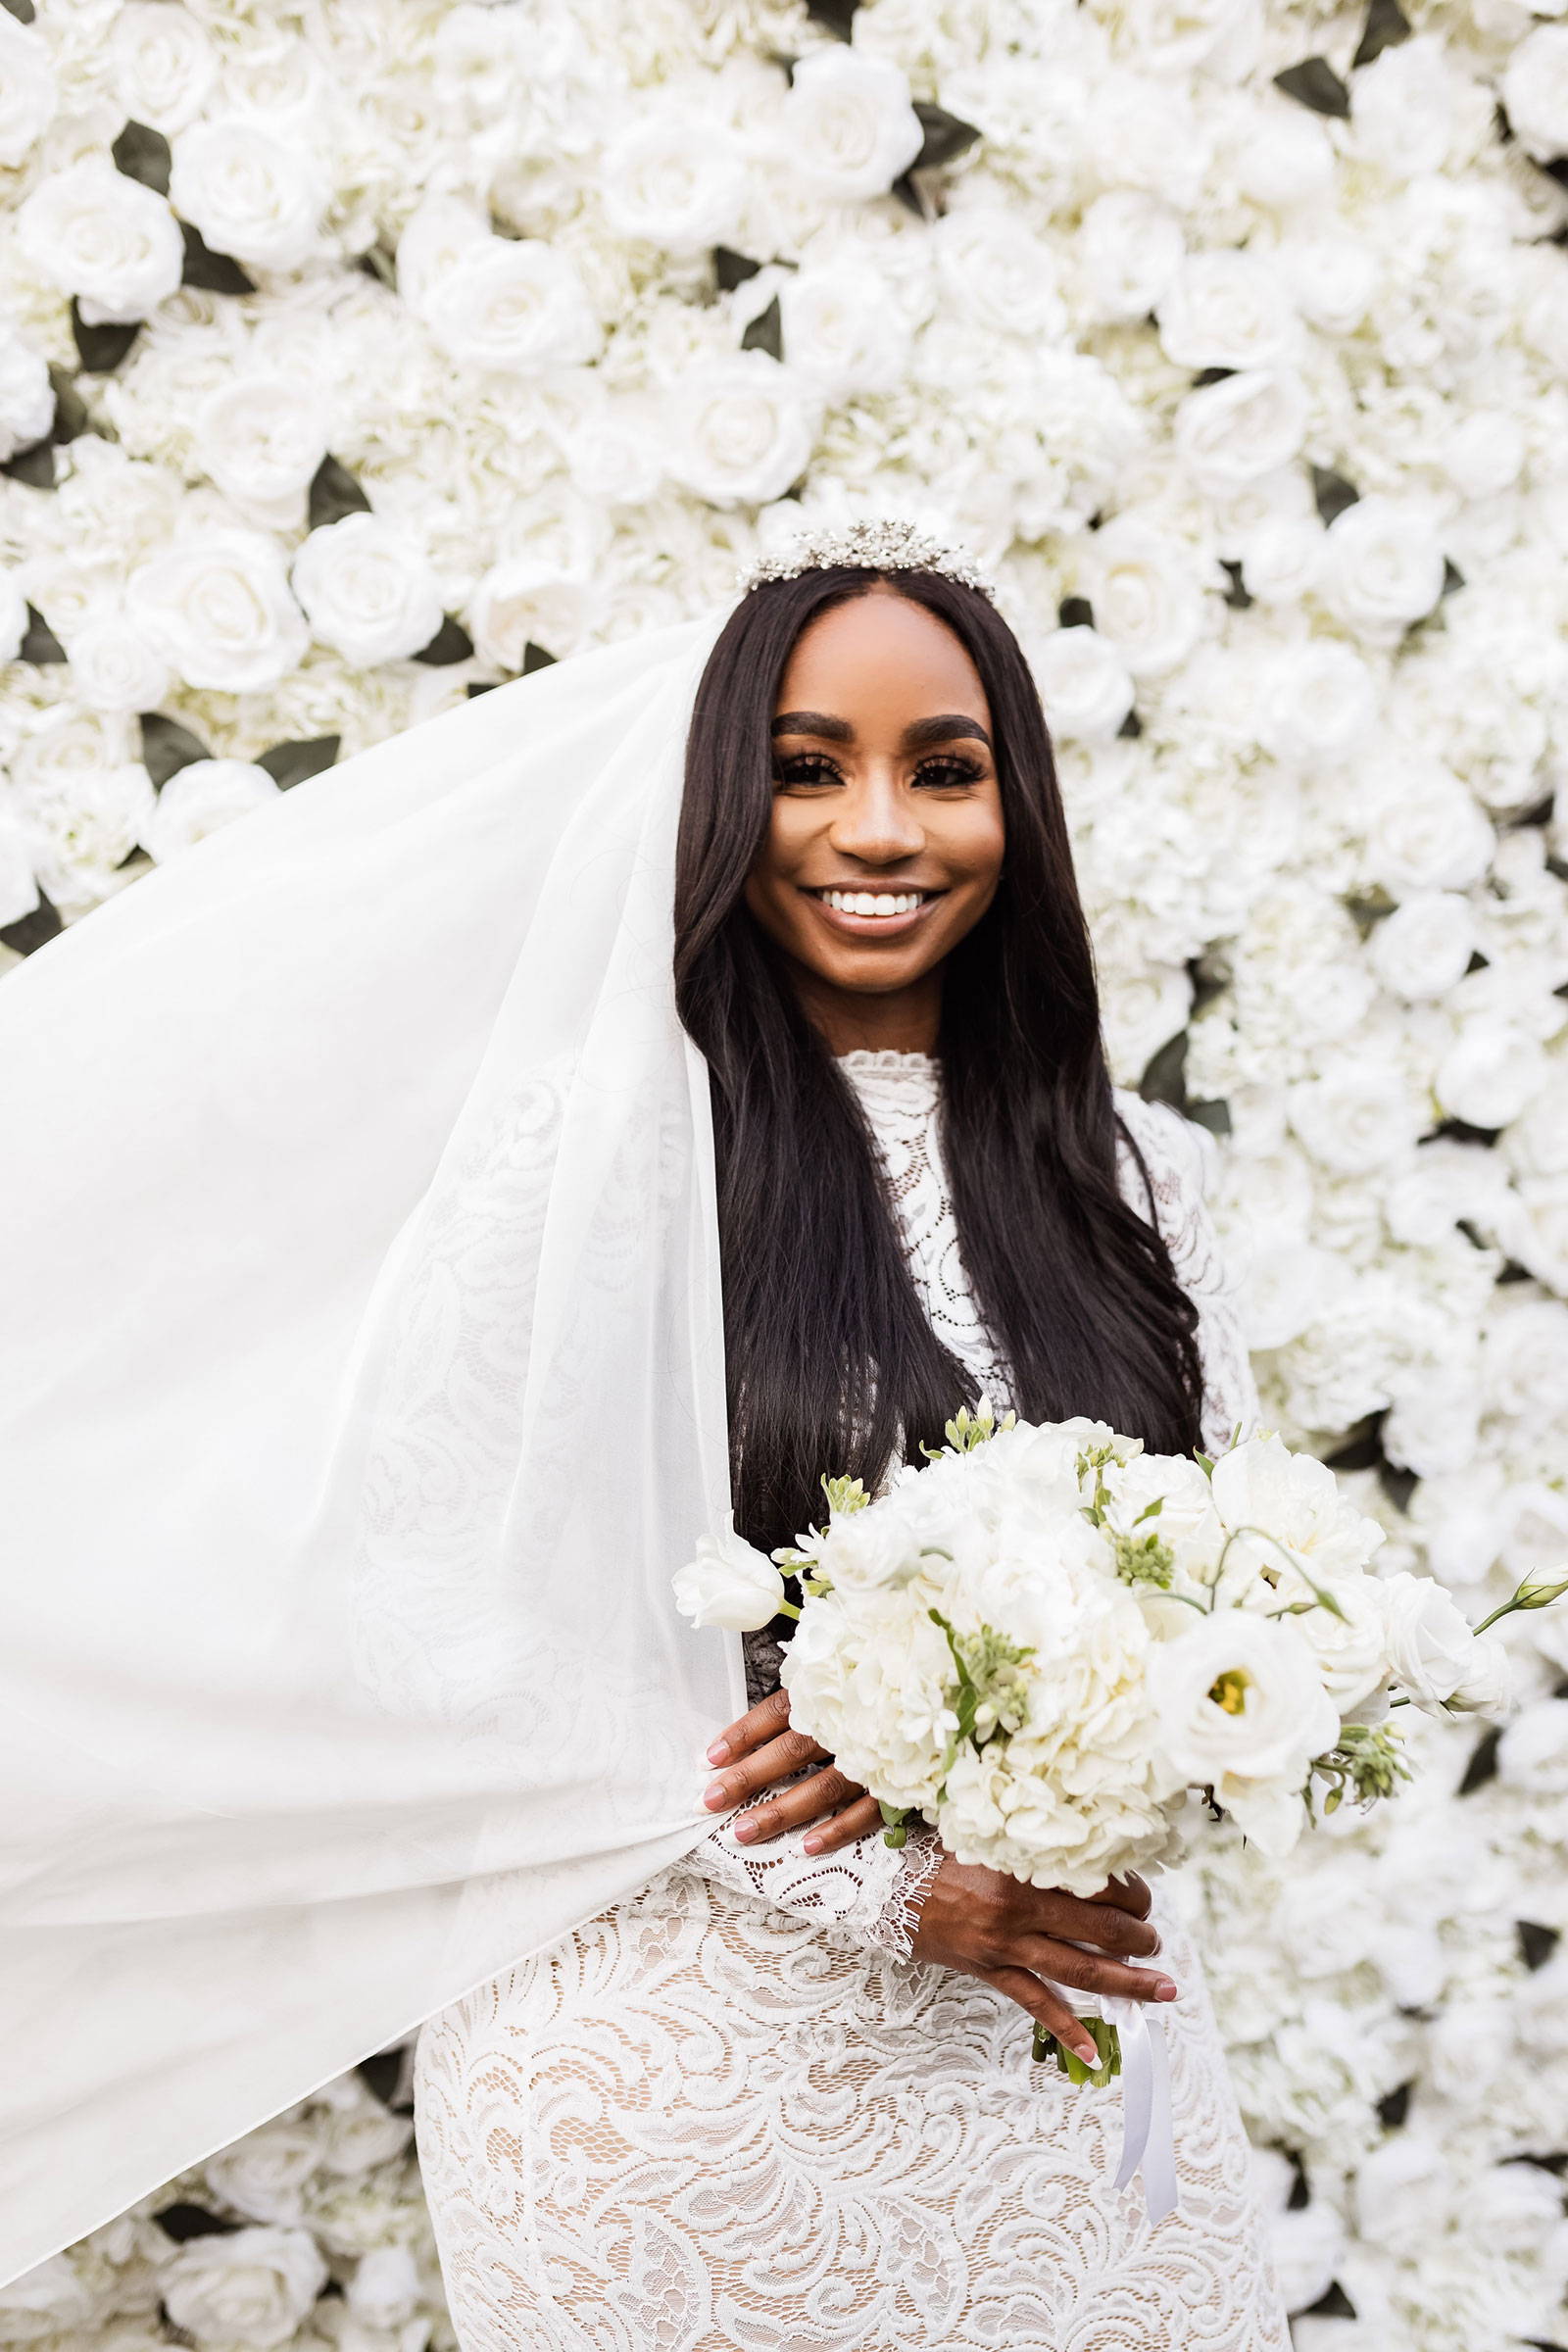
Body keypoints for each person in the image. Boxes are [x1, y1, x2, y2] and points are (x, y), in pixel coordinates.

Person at [410, 528, 1289, 2350]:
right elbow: (437, 1626)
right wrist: (877, 1879)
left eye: (942, 771)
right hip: (661, 2082)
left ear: (1014, 805)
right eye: (808, 771)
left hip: (1049, 2030)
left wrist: (1150, 1749)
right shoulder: (582, 1176)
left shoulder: (1136, 1181)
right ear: (725, 798)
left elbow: (1240, 1607)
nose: (879, 832)